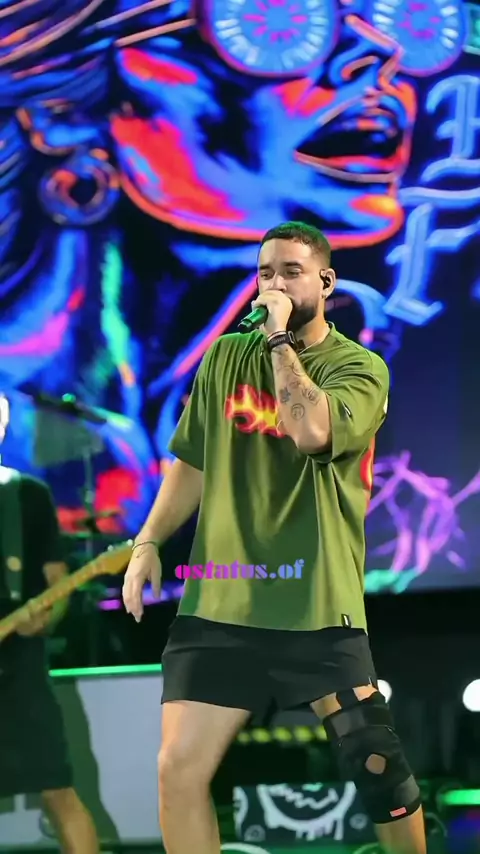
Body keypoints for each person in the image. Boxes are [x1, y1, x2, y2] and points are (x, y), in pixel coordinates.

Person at [122, 221, 427, 854]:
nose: (276, 284)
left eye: (291, 271)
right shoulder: (226, 357)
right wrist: (148, 541)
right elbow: (194, 458)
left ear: (326, 282)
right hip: (220, 602)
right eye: (266, 273)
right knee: (177, 772)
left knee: (375, 763)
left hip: (313, 600)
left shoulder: (358, 367)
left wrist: (279, 340)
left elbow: (311, 432)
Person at [0, 395, 99, 854]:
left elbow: (57, 584)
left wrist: (45, 617)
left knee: (58, 787)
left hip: (19, 668)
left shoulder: (26, 495)